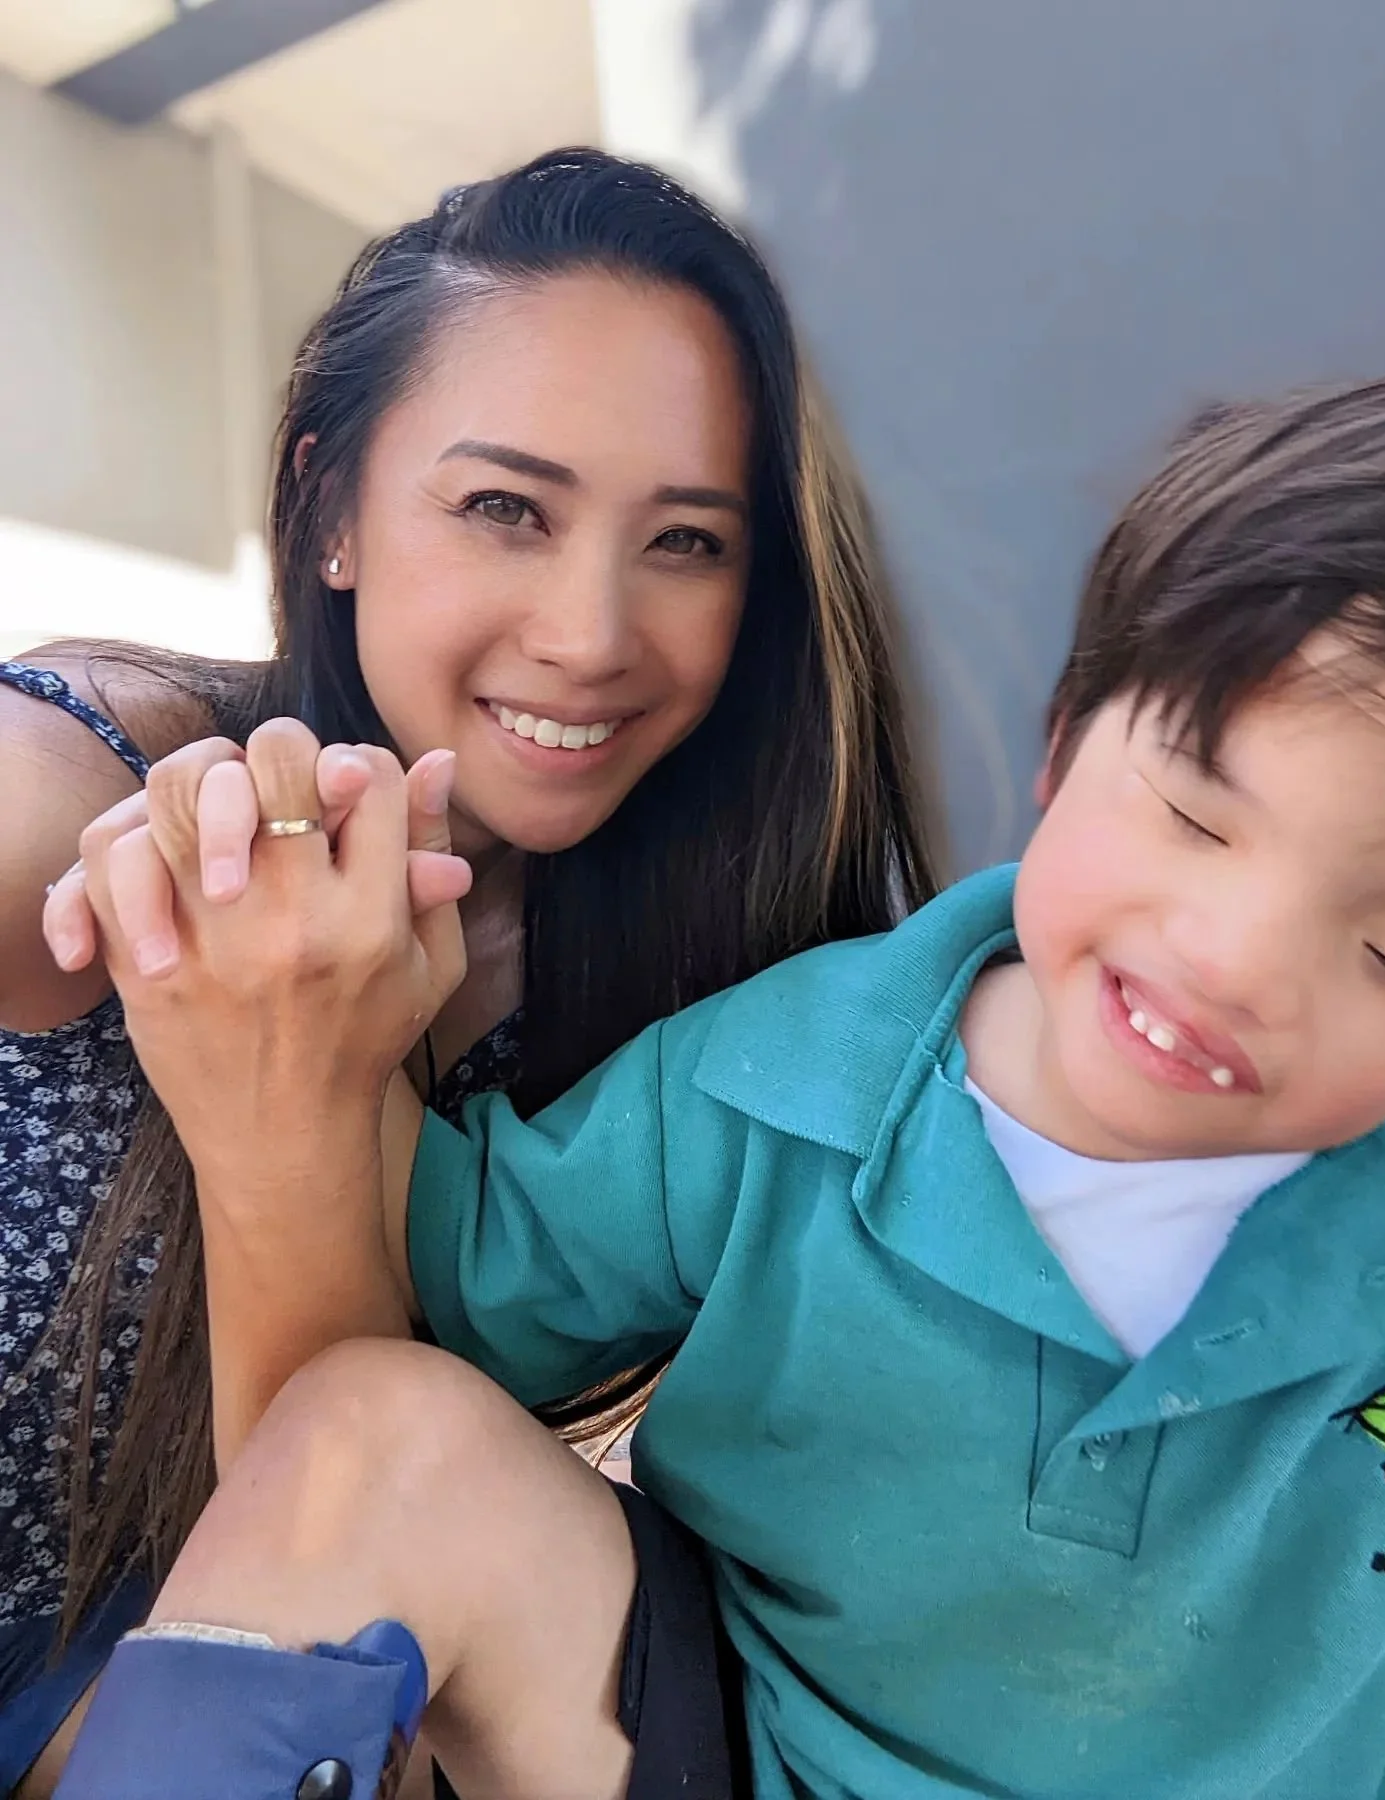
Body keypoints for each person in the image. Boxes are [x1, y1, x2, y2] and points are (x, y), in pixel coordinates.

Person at [57, 372, 1385, 1800]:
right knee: (376, 1436)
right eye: (1196, 818)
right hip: (744, 1763)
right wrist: (285, 950)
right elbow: (454, 1259)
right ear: (1069, 734)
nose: (1236, 964)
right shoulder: (776, 1079)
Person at [0, 148, 936, 1795]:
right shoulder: (87, 787)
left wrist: (295, 1105)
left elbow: (362, 1526)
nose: (590, 632)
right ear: (330, 509)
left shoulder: (730, 978)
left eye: (691, 542)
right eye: (506, 508)